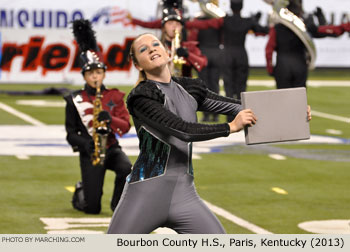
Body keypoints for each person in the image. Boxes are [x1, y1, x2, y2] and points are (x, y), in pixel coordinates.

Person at [107, 33, 257, 234]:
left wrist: (293, 112)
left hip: (184, 195)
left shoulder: (190, 88)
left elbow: (237, 106)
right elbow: (182, 130)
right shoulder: (141, 96)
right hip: (144, 195)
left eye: (155, 44)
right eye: (143, 49)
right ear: (138, 65)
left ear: (167, 52)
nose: (151, 49)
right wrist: (229, 127)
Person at [64, 19, 132, 214]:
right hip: (90, 152)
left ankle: (117, 205)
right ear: (84, 76)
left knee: (127, 168)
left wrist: (110, 119)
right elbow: (70, 133)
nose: (95, 77)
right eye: (91, 73)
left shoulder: (115, 96)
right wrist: (85, 145)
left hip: (110, 148)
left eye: (99, 72)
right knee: (92, 208)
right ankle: (81, 190)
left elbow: (126, 126)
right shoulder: (73, 100)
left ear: (104, 74)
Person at [185, 0, 269, 122]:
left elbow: (206, 25)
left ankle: (230, 116)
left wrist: (187, 23)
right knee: (241, 86)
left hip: (227, 55)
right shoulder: (247, 21)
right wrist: (256, 19)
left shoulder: (224, 20)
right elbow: (263, 30)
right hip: (241, 54)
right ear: (242, 7)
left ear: (230, 6)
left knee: (228, 86)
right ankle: (242, 113)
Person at [265, 0, 350, 89]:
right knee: (299, 100)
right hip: (300, 65)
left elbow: (269, 49)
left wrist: (270, 68)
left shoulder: (276, 28)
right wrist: (344, 27)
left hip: (282, 67)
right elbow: (325, 31)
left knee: (282, 99)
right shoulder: (304, 26)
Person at [128, 6, 208, 77]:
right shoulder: (156, 49)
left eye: (178, 24)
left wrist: (188, 55)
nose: (174, 26)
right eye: (170, 23)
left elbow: (203, 63)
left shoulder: (189, 46)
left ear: (181, 27)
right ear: (163, 27)